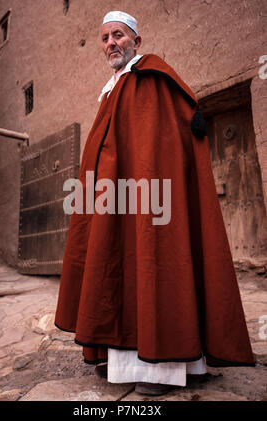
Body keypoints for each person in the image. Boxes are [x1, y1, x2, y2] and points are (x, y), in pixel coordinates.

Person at [55, 11, 255, 396]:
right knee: (114, 266)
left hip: (151, 202)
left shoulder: (150, 79)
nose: (111, 43)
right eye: (104, 38)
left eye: (118, 35)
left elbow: (156, 147)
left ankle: (161, 368)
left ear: (136, 41)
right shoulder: (113, 88)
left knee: (153, 265)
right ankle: (117, 358)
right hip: (115, 200)